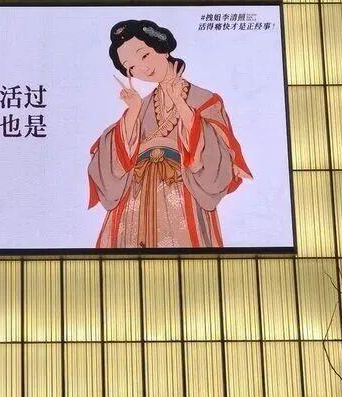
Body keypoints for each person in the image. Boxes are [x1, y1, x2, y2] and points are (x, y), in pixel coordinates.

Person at [87, 19, 252, 248]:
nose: (143, 69)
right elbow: (109, 155)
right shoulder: (140, 105)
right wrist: (133, 111)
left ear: (162, 48)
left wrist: (181, 104)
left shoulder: (205, 100)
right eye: (131, 67)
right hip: (136, 198)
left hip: (183, 196)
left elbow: (218, 155)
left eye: (144, 55)